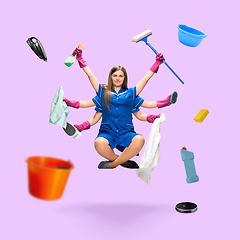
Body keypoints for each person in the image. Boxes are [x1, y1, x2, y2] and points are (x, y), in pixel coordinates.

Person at [67, 47, 177, 169]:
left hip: (127, 133)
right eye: (115, 75)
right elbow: (90, 76)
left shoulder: (131, 94)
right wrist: (80, 59)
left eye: (121, 76)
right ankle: (123, 161)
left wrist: (156, 64)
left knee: (140, 140)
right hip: (107, 133)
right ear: (111, 77)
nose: (118, 78)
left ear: (124, 78)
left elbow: (145, 83)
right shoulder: (103, 93)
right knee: (98, 143)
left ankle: (113, 164)